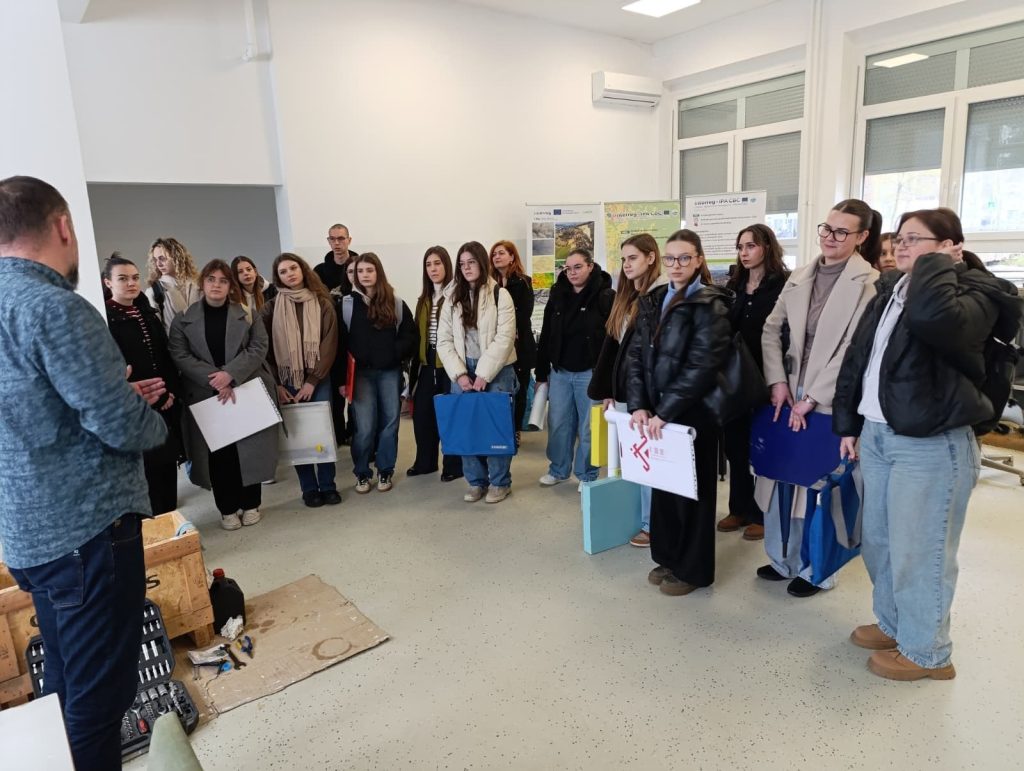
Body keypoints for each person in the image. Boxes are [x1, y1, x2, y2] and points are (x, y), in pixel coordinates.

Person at [0, 175, 168, 770]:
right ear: (63, 227)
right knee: (99, 704)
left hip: (29, 536)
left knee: (66, 680)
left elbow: (32, 410)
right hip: (87, 536)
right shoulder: (55, 307)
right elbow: (121, 426)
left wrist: (110, 397)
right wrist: (148, 420)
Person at [833, 207, 1021, 681]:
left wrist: (935, 265)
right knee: (880, 543)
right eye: (899, 238)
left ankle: (928, 652)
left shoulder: (977, 292)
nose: (900, 246)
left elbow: (938, 322)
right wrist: (849, 424)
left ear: (951, 247)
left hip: (932, 442)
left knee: (922, 551)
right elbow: (860, 358)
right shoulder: (890, 290)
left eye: (915, 239)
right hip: (879, 434)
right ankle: (895, 624)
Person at [757, 198, 881, 597]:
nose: (830, 237)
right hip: (787, 391)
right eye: (827, 228)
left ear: (861, 236)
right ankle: (784, 558)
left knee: (821, 483)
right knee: (781, 475)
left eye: (842, 231)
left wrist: (812, 397)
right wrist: (777, 381)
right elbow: (770, 330)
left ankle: (818, 570)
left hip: (830, 397)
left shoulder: (870, 282)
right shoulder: (800, 275)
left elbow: (853, 349)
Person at [627, 229, 732, 596]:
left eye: (685, 257)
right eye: (670, 258)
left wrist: (667, 411)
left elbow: (703, 366)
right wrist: (639, 404)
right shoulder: (654, 299)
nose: (676, 265)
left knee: (693, 495)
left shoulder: (711, 304)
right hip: (657, 414)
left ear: (699, 260)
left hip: (693, 416)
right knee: (664, 490)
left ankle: (693, 571)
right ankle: (668, 557)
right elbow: (636, 355)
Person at [169, 259, 279, 529]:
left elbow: (258, 346)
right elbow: (179, 354)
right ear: (202, 283)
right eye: (211, 279)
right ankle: (227, 509)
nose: (216, 285)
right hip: (206, 395)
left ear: (230, 286)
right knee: (219, 454)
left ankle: (251, 503)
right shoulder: (183, 319)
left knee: (250, 449)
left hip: (244, 388)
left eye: (223, 280)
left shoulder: (247, 313)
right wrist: (216, 379)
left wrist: (230, 374)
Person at [588, 233, 668, 547]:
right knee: (632, 460)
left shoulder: (663, 295)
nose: (627, 265)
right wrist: (609, 389)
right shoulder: (627, 295)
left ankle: (652, 524)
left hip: (649, 398)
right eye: (624, 259)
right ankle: (641, 518)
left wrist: (644, 401)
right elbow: (615, 349)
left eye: (633, 258)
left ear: (651, 257)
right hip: (625, 394)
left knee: (650, 462)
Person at [717, 225, 789, 541]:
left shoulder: (783, 285)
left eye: (751, 246)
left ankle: (761, 513)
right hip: (735, 378)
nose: (744, 253)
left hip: (766, 377)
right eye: (740, 247)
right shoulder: (734, 286)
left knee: (764, 448)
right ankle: (739, 508)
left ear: (766, 247)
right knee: (735, 447)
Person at [436, 241, 518, 504]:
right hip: (462, 370)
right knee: (466, 428)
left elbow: (505, 338)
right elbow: (443, 340)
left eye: (471, 262)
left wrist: (483, 374)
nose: (466, 268)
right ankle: (475, 482)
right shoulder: (450, 298)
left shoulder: (500, 295)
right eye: (462, 264)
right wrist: (460, 374)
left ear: (482, 263)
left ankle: (499, 482)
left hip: (497, 370)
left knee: (496, 428)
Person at [103, 253, 183, 516]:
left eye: (135, 278)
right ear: (108, 283)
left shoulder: (147, 313)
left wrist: (170, 392)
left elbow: (164, 355)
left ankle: (172, 523)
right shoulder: (105, 320)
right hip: (135, 405)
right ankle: (153, 526)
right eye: (122, 278)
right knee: (147, 472)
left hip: (165, 401)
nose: (131, 283)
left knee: (167, 465)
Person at [337, 252, 418, 493]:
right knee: (364, 427)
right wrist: (341, 380)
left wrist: (394, 353)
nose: (365, 275)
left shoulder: (395, 302)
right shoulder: (346, 305)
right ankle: (362, 473)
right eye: (360, 271)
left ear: (378, 272)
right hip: (360, 376)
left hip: (389, 373)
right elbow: (339, 345)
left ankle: (385, 471)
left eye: (369, 270)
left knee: (390, 424)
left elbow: (410, 335)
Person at [263, 253, 340, 506]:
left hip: (318, 379)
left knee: (322, 432)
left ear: (303, 270)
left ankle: (328, 485)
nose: (290, 274)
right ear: (278, 278)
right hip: (286, 380)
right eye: (283, 271)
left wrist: (313, 380)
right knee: (298, 437)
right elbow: (264, 349)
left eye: (293, 268)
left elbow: (329, 342)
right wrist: (277, 384)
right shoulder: (270, 308)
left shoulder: (322, 302)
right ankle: (309, 488)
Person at [535, 248, 614, 488]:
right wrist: (541, 373)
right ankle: (558, 469)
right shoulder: (557, 293)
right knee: (558, 424)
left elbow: (613, 341)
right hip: (560, 371)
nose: (572, 272)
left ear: (590, 266)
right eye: (568, 268)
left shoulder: (605, 296)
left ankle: (587, 475)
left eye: (577, 267)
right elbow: (546, 333)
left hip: (591, 373)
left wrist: (609, 381)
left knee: (589, 427)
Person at [408, 246, 464, 481]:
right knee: (423, 415)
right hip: (427, 362)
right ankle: (425, 462)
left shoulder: (456, 296)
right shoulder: (423, 299)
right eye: (428, 264)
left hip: (449, 363)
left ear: (447, 266)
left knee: (450, 415)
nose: (433, 269)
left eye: (437, 263)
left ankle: (453, 466)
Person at [490, 240, 536, 442]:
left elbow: (525, 314)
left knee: (519, 390)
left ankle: (515, 430)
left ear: (512, 257)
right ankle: (499, 430)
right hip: (495, 344)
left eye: (501, 253)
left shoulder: (524, 282)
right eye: (494, 254)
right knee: (498, 389)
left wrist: (507, 327)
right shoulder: (489, 284)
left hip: (520, 344)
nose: (497, 257)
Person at [145, 236, 201, 334]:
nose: (158, 264)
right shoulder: (154, 291)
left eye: (162, 258)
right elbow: (155, 330)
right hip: (172, 342)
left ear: (176, 257)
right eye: (155, 259)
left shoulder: (198, 285)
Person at [315, 223, 359, 293]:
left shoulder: (360, 269)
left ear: (349, 240)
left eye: (341, 238)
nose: (336, 243)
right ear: (329, 241)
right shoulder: (319, 271)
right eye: (332, 239)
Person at [232, 254, 276, 320]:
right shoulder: (233, 298)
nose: (246, 273)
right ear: (235, 276)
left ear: (255, 272)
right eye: (240, 272)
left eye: (249, 269)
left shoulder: (272, 290)